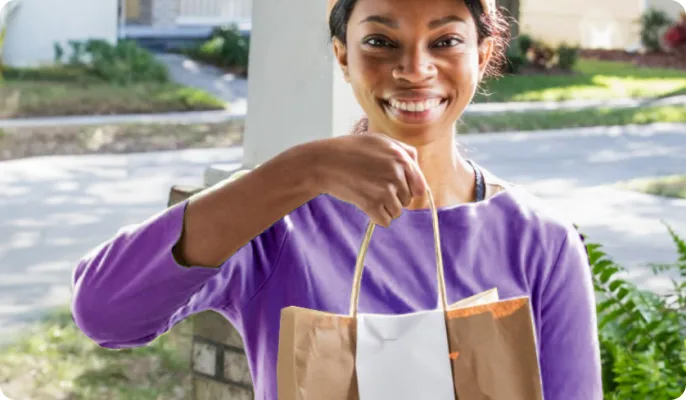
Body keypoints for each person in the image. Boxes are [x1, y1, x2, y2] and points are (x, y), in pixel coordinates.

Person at [71, 0, 603, 398]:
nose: (415, 69)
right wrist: (305, 168)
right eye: (380, 41)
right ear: (342, 54)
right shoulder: (280, 226)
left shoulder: (540, 242)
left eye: (444, 41)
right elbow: (105, 313)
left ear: (483, 55)